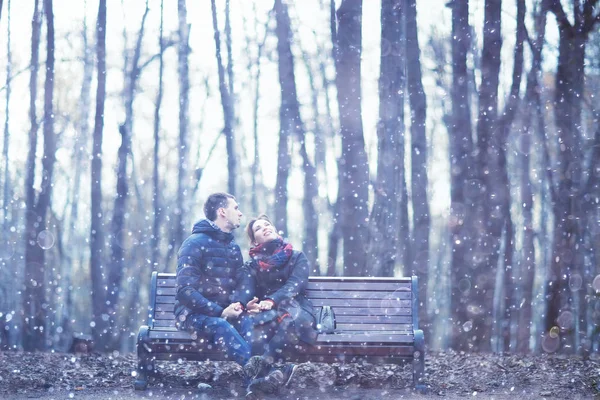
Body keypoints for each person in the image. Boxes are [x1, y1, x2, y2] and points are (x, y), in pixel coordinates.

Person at [237, 214, 318, 398]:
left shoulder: (297, 256)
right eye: (258, 228)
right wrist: (246, 304)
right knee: (259, 327)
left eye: (267, 224)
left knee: (290, 321)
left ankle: (261, 371)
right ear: (253, 241)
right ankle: (277, 374)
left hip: (298, 308)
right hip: (269, 312)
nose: (265, 228)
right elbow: (246, 290)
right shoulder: (252, 266)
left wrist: (273, 300)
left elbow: (295, 285)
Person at [174, 192, 255, 372]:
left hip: (223, 312)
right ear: (222, 212)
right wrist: (219, 312)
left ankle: (255, 381)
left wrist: (239, 304)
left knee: (247, 322)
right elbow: (185, 290)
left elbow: (241, 281)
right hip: (192, 315)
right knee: (221, 325)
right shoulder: (193, 243)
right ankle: (261, 373)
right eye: (235, 208)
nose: (240, 213)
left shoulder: (232, 246)